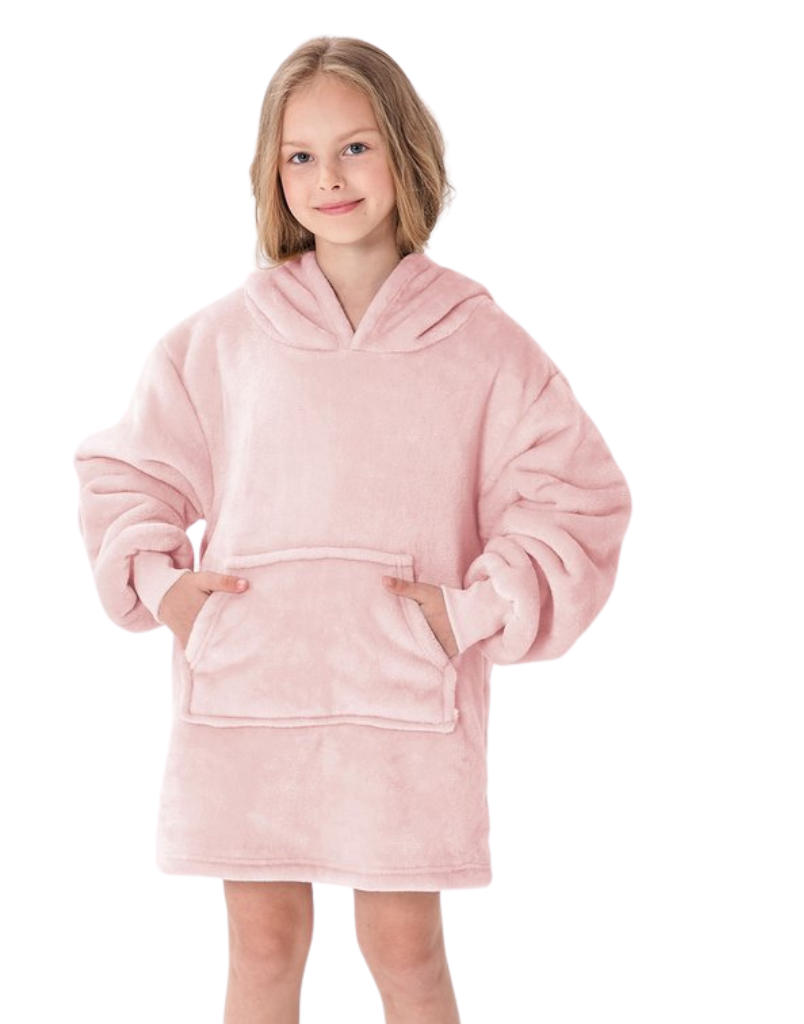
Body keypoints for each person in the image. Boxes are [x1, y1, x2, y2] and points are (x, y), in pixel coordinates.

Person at [74, 35, 632, 1024]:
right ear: (271, 170)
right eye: (300, 155)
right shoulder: (225, 339)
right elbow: (128, 472)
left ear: (405, 152)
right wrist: (165, 588)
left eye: (354, 148)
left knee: (404, 948)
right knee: (263, 944)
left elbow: (575, 493)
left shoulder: (479, 344)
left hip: (402, 692)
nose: (327, 178)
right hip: (250, 688)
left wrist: (471, 612)